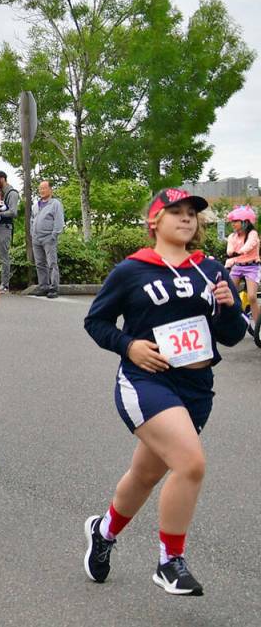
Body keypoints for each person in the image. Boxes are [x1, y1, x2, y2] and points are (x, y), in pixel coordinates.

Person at [82, 188, 245, 596]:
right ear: (154, 220)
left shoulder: (210, 269)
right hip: (147, 381)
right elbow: (96, 321)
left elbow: (232, 335)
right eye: (176, 212)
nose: (187, 219)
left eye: (192, 213)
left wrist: (227, 307)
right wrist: (129, 346)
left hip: (197, 387)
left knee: (145, 474)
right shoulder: (132, 270)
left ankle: (103, 532)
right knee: (190, 464)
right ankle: (169, 561)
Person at [223, 205, 259, 339]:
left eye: (235, 221)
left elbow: (249, 245)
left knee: (252, 297)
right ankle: (229, 322)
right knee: (229, 294)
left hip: (252, 267)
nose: (233, 224)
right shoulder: (232, 236)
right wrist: (232, 253)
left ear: (245, 222)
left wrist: (239, 251)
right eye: (232, 222)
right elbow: (229, 250)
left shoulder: (252, 234)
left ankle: (258, 327)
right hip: (237, 266)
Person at [30, 180, 64, 298]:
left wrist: (54, 235)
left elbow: (59, 221)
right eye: (40, 189)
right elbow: (32, 220)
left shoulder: (55, 204)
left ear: (50, 190)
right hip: (36, 238)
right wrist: (32, 234)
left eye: (44, 188)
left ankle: (54, 288)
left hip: (49, 237)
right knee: (39, 263)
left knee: (52, 263)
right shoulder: (35, 205)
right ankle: (43, 286)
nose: (42, 191)